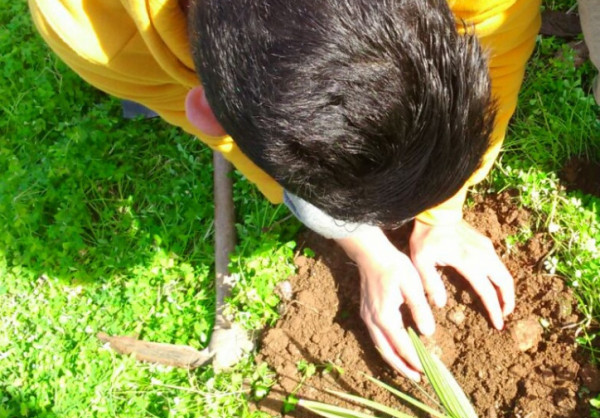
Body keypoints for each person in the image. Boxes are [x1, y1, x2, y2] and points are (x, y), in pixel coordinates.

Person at [29, 0, 541, 380]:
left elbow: (503, 41)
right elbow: (238, 141)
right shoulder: (90, 32)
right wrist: (366, 249)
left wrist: (443, 214)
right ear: (203, 107)